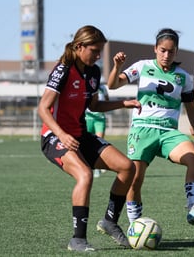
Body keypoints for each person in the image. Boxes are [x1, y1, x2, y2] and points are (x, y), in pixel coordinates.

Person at [38, 25, 141, 252]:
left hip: (80, 134)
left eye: (99, 51)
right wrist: (62, 135)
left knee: (127, 167)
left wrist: (122, 103)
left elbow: (94, 106)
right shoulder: (63, 70)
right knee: (85, 175)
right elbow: (43, 109)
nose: (97, 56)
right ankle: (78, 239)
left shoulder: (93, 72)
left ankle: (109, 222)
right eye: (94, 51)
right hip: (54, 137)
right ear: (79, 46)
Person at [107, 28, 194, 226]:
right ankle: (135, 224)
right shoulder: (142, 67)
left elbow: (191, 109)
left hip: (169, 132)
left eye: (171, 51)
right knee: (135, 179)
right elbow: (113, 85)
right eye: (162, 50)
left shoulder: (183, 77)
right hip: (142, 130)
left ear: (176, 52)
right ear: (155, 49)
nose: (166, 55)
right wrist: (117, 67)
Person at [85, 82, 110, 177]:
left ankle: (97, 169)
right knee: (86, 144)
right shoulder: (87, 85)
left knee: (98, 143)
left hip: (99, 119)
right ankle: (87, 166)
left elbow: (107, 99)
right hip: (88, 119)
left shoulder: (103, 88)